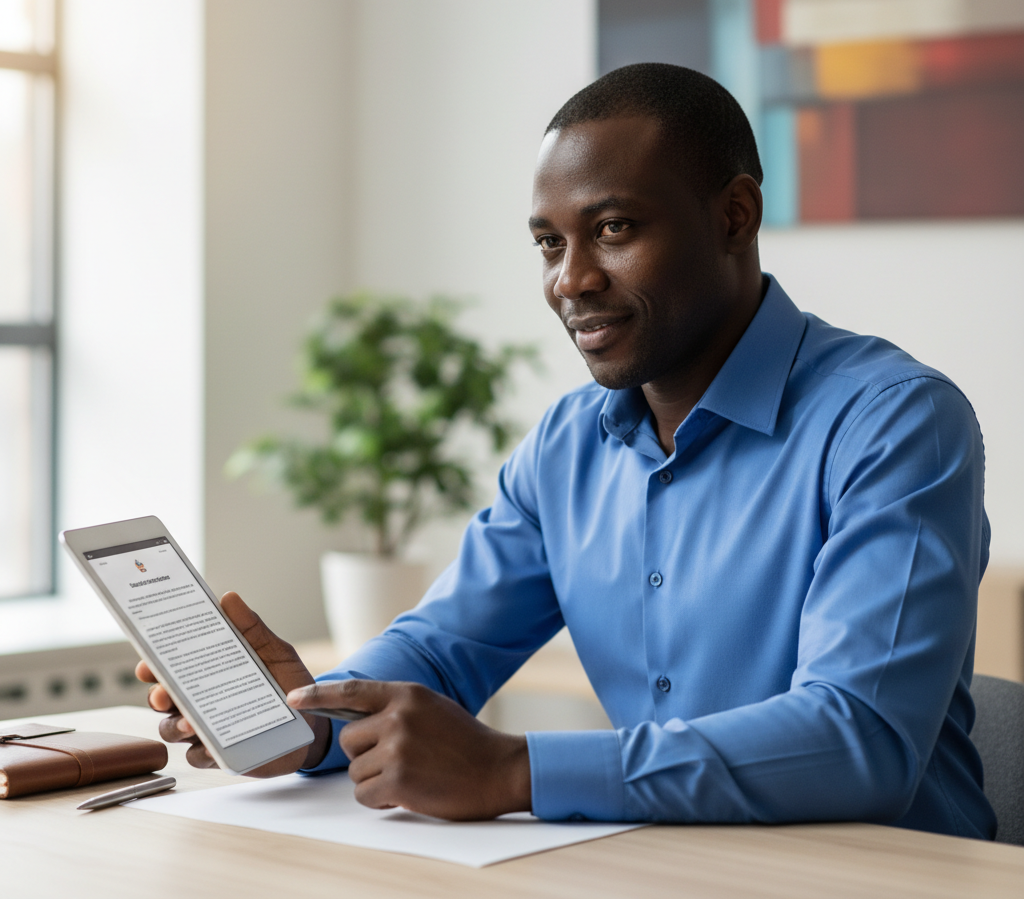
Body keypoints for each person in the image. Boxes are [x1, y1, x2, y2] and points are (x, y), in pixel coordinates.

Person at [139, 63, 996, 838]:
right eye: (550, 243)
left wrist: (513, 770)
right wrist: (312, 716)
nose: (570, 279)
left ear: (734, 216)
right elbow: (443, 652)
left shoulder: (894, 422)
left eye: (614, 228)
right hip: (657, 870)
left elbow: (861, 739)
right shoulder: (566, 445)